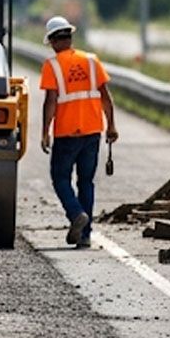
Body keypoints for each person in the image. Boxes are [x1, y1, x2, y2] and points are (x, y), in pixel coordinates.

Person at [39, 16, 117, 248]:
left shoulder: (52, 65)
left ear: (53, 41)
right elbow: (105, 97)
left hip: (66, 133)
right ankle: (85, 236)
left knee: (60, 178)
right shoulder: (92, 61)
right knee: (86, 182)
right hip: (92, 131)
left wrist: (45, 131)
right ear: (70, 37)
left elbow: (50, 101)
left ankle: (76, 214)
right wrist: (111, 125)